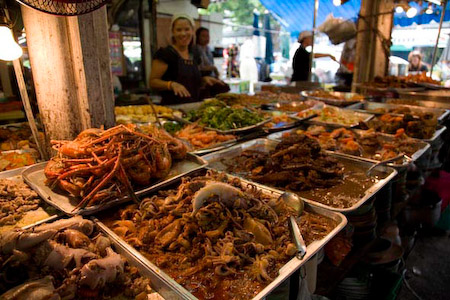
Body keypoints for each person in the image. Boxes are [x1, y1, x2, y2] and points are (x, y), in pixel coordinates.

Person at [149, 14, 224, 105]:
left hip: (193, 106)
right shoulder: (165, 54)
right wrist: (171, 85)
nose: (183, 34)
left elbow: (191, 82)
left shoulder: (194, 53)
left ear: (192, 31)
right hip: (172, 109)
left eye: (187, 29)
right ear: (173, 32)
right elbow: (153, 82)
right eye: (179, 30)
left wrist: (203, 80)